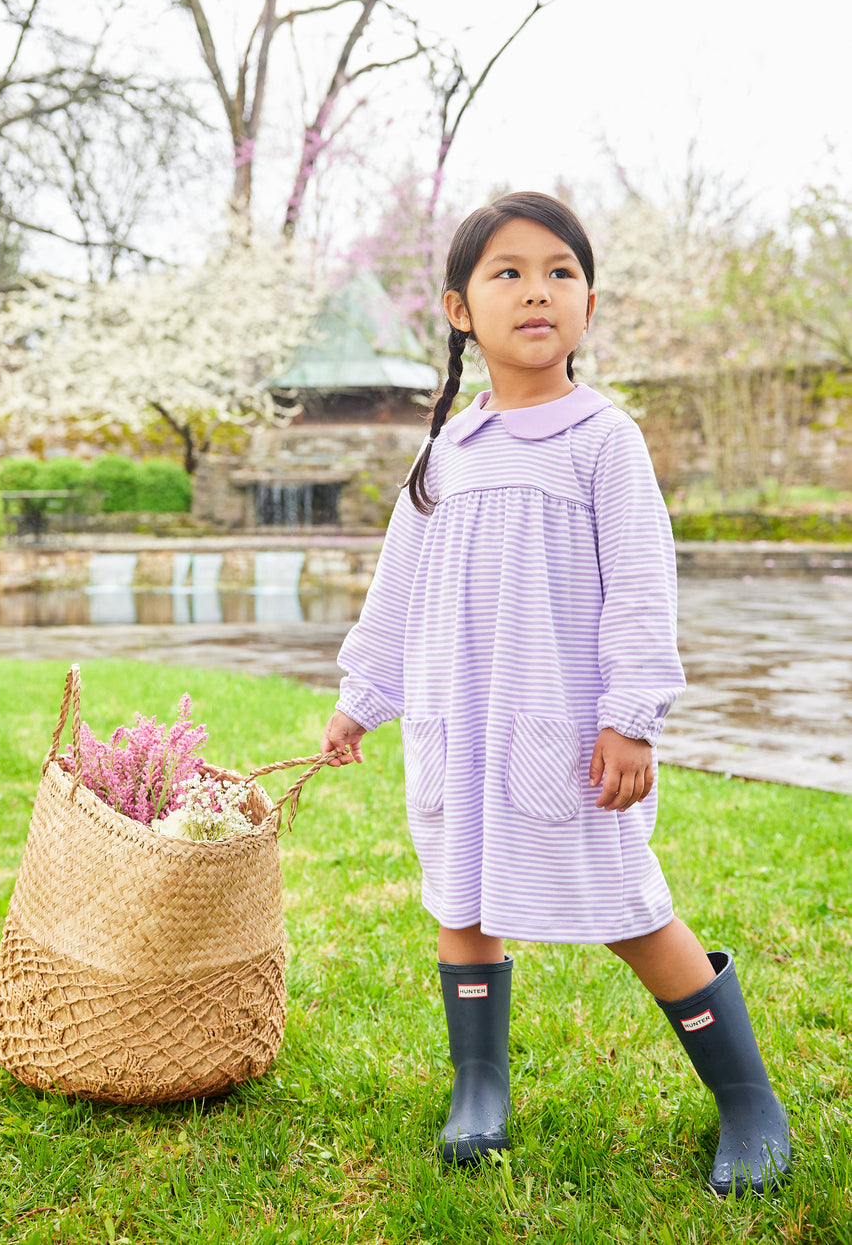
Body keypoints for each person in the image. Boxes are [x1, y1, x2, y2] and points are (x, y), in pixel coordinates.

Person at [320, 191, 790, 1196]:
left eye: (560, 272)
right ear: (459, 309)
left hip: (564, 734)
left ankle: (748, 1095)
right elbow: (396, 592)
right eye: (509, 272)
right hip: (461, 726)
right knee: (463, 891)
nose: (538, 289)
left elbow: (639, 584)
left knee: (626, 902)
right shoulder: (445, 454)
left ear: (586, 301)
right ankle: (478, 1083)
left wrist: (630, 719)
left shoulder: (602, 438)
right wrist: (362, 695)